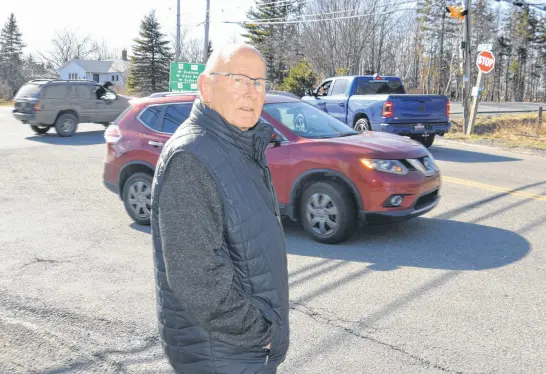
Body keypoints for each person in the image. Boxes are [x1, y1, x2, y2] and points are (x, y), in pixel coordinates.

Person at [150, 43, 290, 374]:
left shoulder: (239, 146)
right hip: (222, 353)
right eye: (239, 79)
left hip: (240, 352)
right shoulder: (192, 158)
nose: (252, 92)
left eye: (259, 82)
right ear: (205, 86)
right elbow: (195, 277)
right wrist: (261, 332)